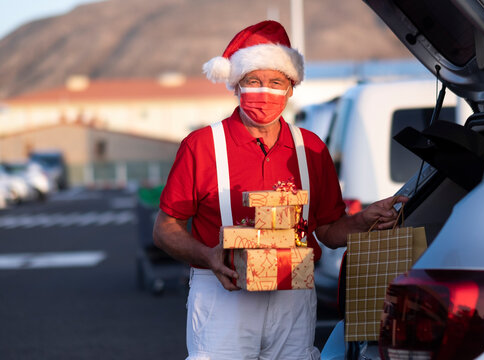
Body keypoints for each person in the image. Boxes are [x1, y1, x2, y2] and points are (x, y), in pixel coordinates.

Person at [153, 20, 407, 360]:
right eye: (253, 81)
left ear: (291, 88)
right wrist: (209, 256)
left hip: (294, 293)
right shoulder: (202, 145)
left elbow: (329, 230)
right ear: (236, 86)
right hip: (222, 291)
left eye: (276, 82)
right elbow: (165, 227)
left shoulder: (311, 148)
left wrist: (364, 220)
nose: (265, 92)